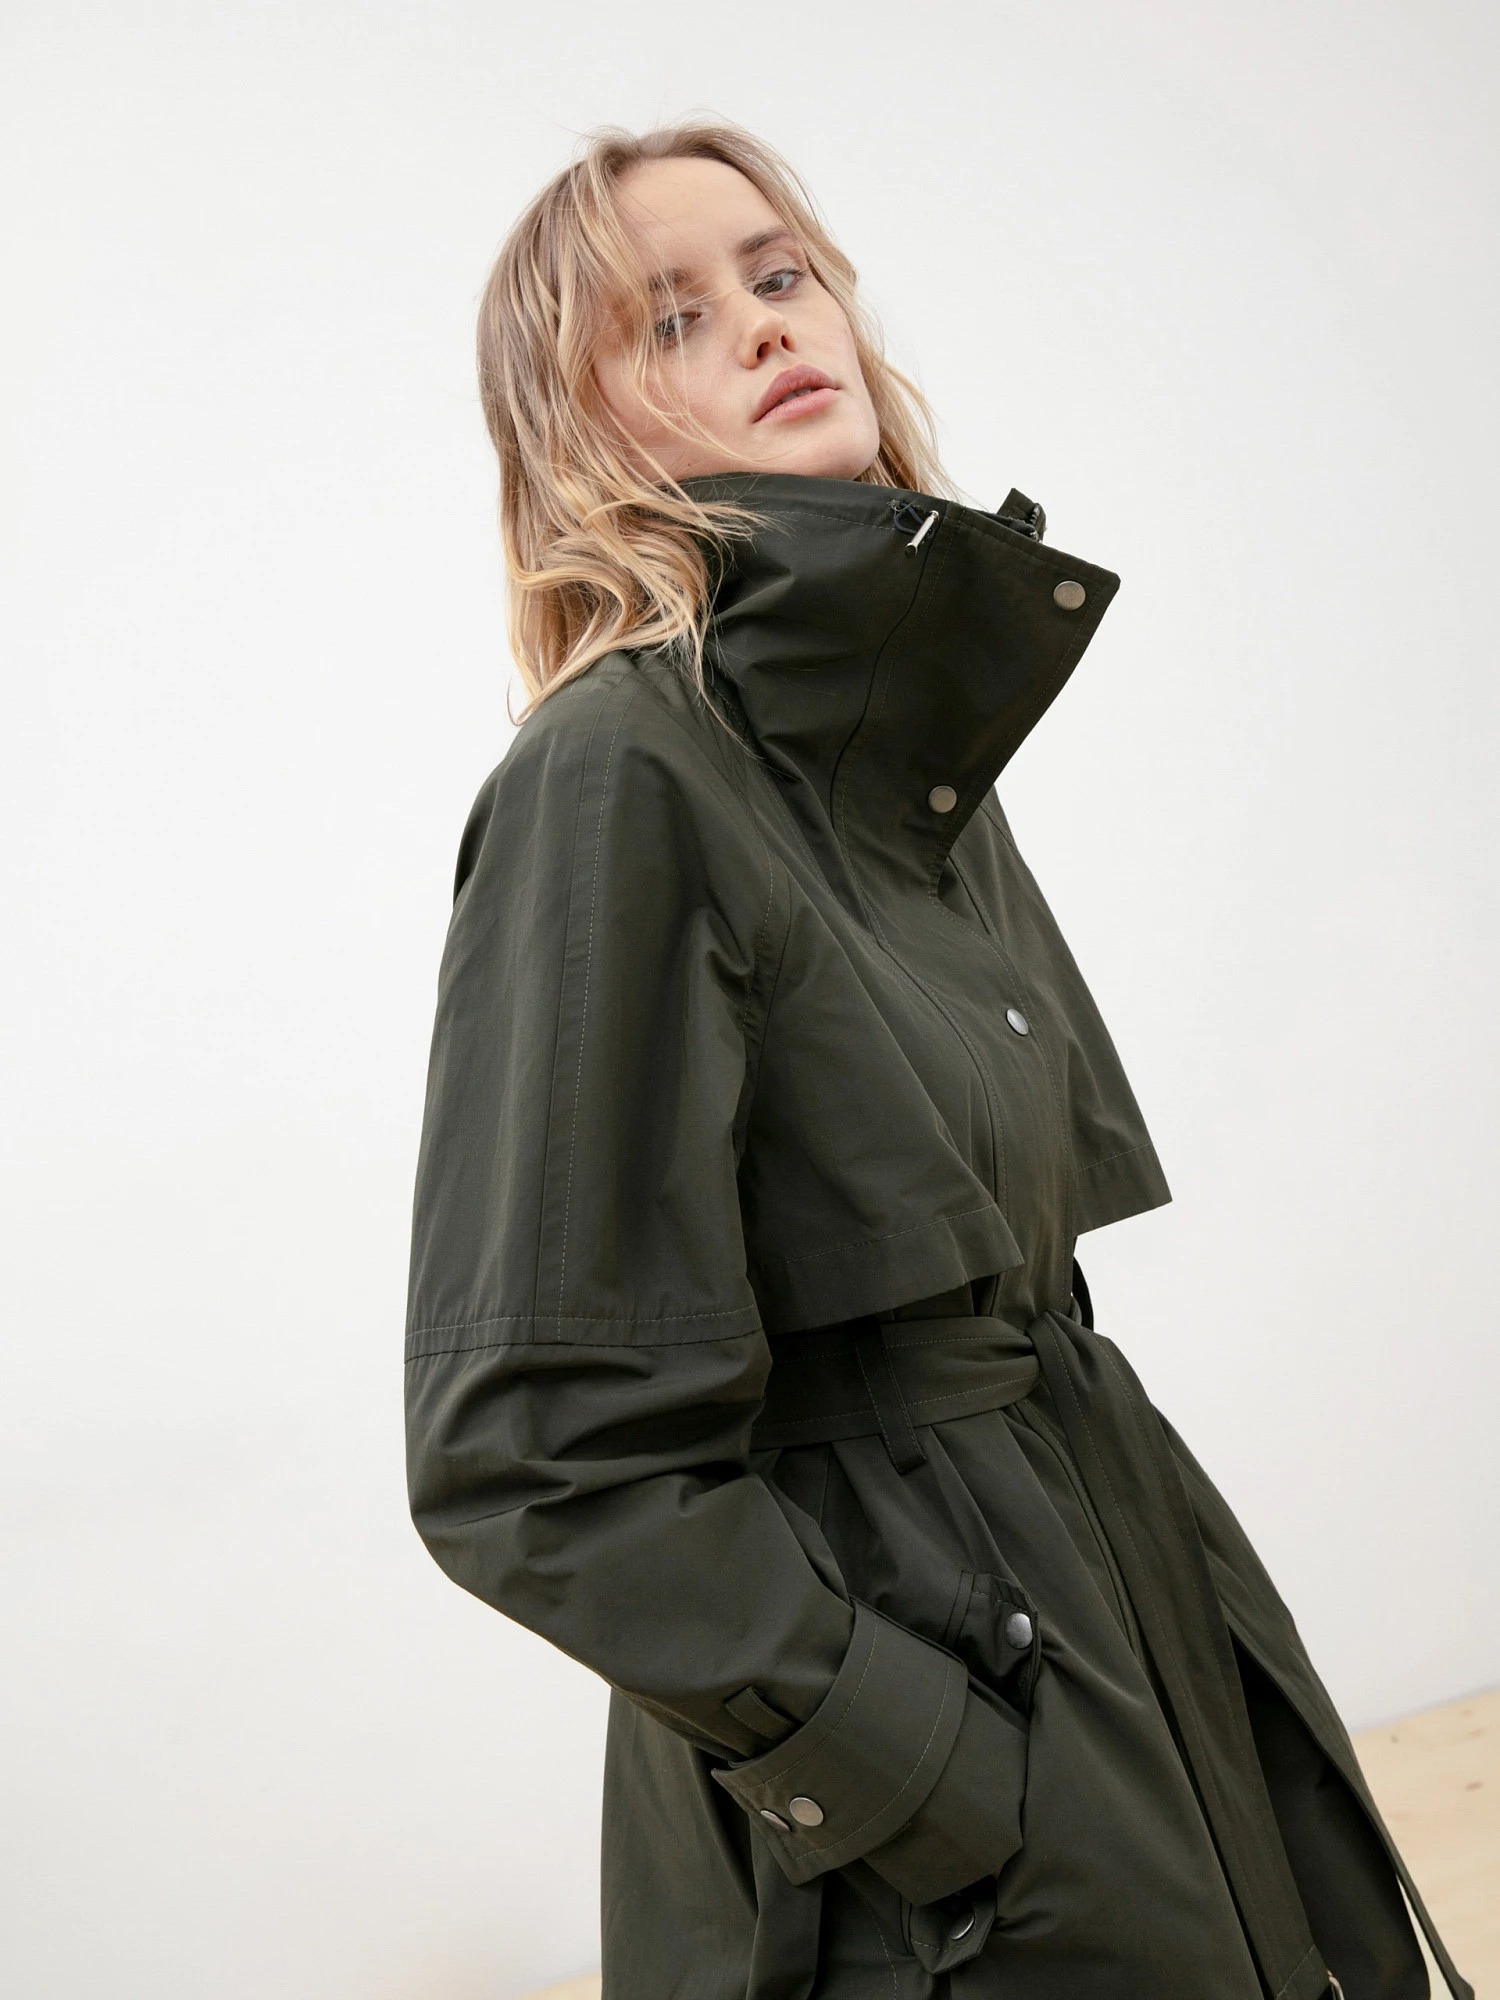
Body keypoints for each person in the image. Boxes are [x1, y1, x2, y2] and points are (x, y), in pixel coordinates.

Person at [402, 118, 1471, 2000]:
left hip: (1116, 1619)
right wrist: (942, 1783)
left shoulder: (910, 775)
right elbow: (533, 1460)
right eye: (669, 318)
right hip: (928, 1807)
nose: (761, 323)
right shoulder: (616, 777)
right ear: (581, 437)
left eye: (778, 273)